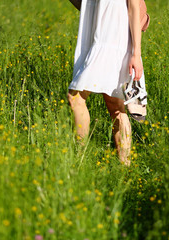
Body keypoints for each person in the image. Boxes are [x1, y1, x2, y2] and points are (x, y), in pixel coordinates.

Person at [67, 0, 145, 166]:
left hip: (113, 39)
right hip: (98, 36)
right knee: (115, 107)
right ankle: (125, 168)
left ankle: (78, 162)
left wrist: (136, 54)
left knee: (76, 98)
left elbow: (133, 7)